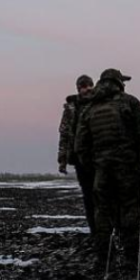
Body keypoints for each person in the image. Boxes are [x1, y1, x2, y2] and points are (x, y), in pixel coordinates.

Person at [74, 69, 140, 267]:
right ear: (118, 83)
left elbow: (80, 145)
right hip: (127, 168)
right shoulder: (129, 102)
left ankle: (104, 258)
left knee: (102, 212)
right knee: (130, 209)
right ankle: (131, 258)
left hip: (102, 169)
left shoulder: (89, 108)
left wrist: (93, 167)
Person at [58, 74, 96, 235]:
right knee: (88, 194)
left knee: (103, 192)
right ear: (78, 89)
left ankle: (107, 228)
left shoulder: (99, 103)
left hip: (99, 156)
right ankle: (94, 229)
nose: (86, 88)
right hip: (79, 158)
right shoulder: (71, 108)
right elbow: (64, 134)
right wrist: (62, 160)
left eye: (89, 85)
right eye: (83, 86)